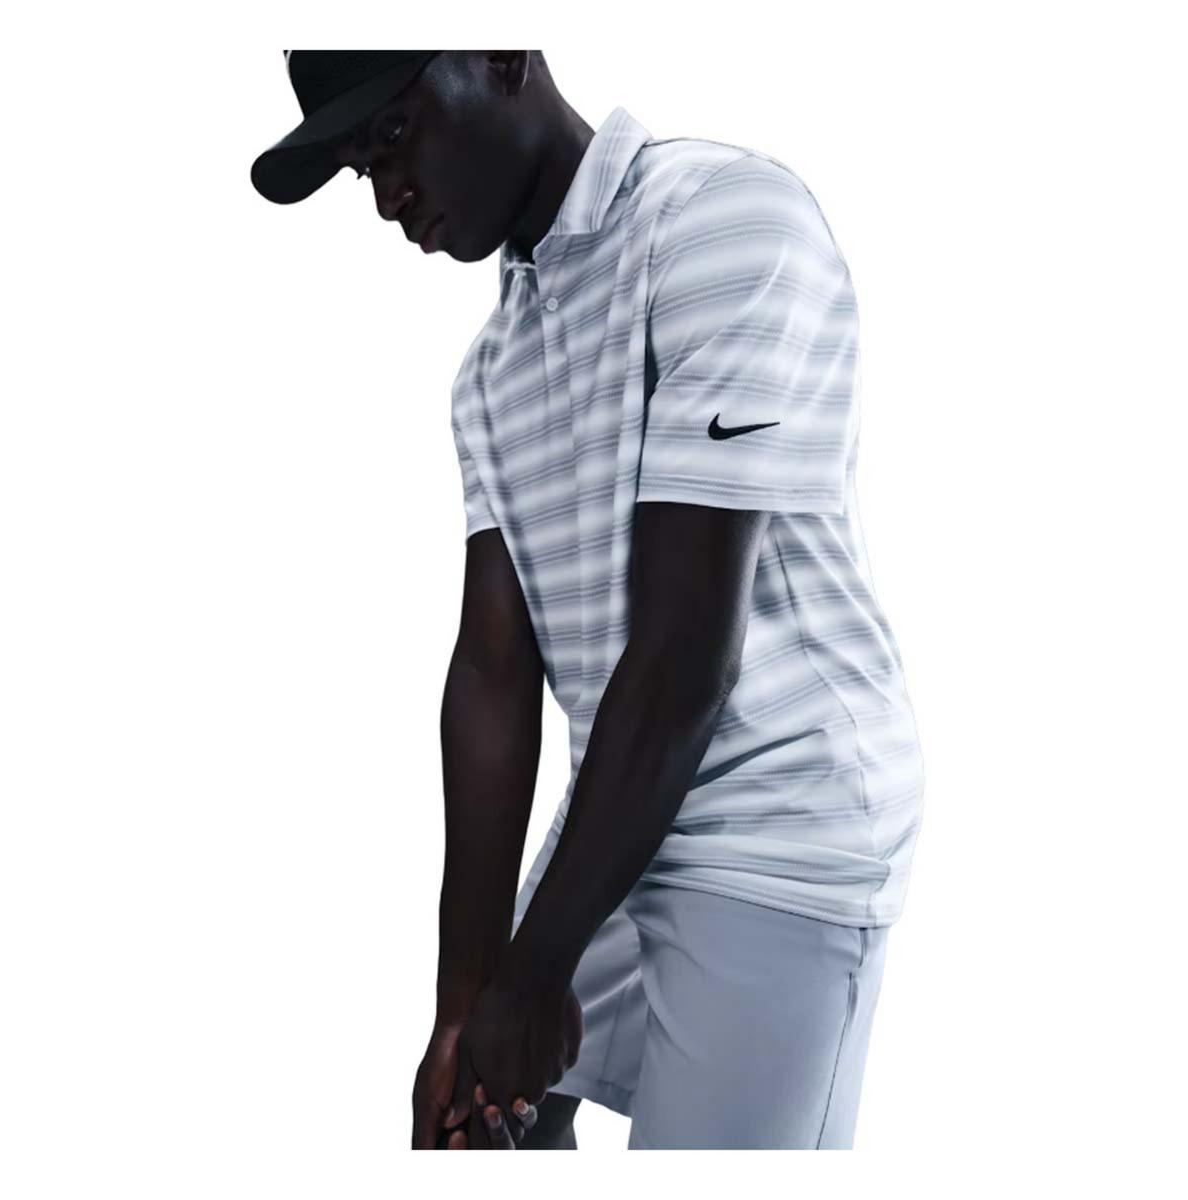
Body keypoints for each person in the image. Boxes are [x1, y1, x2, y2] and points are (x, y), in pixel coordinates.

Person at [250, 49, 926, 1151]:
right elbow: (491, 676)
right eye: (363, 169)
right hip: (628, 812)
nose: (385, 197)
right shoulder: (490, 375)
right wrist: (465, 1000)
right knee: (475, 1129)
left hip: (778, 818)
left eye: (393, 135)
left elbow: (681, 660)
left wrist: (532, 976)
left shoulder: (723, 224)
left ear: (500, 53)